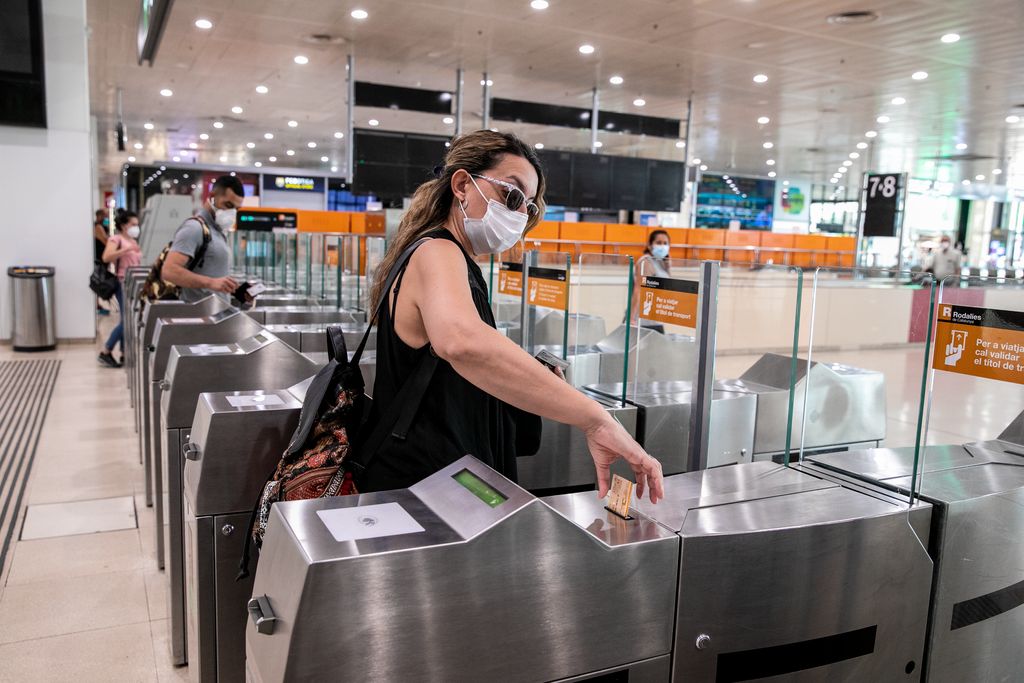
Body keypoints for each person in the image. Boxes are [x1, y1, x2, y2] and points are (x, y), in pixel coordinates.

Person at [364, 130, 664, 502]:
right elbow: (463, 342)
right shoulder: (438, 251)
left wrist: (532, 372)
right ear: (462, 185)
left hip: (439, 481)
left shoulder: (450, 256)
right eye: (513, 194)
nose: (521, 214)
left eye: (530, 206)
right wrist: (595, 418)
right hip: (422, 487)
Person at [161, 175, 243, 301]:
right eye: (228, 205)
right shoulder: (194, 228)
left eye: (236, 209)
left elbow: (214, 277)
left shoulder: (217, 231)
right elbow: (169, 271)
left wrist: (237, 292)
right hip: (198, 316)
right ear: (211, 197)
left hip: (216, 314)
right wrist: (210, 282)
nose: (231, 212)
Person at [97, 210, 142, 367]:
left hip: (133, 283)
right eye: (133, 224)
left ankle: (124, 353)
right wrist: (126, 250)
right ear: (123, 226)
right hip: (123, 282)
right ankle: (106, 351)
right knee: (127, 320)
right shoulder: (116, 239)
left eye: (137, 224)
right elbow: (106, 257)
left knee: (128, 319)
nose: (136, 227)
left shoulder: (133, 241)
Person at [631, 230, 671, 325]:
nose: (662, 246)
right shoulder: (646, 262)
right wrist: (632, 318)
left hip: (655, 317)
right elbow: (639, 290)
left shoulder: (661, 261)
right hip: (642, 320)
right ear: (650, 245)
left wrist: (667, 266)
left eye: (665, 243)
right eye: (658, 243)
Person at [93, 209, 110, 315]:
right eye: (105, 215)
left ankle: (98, 304)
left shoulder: (100, 226)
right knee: (98, 282)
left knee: (100, 281)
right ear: (100, 216)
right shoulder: (98, 227)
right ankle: (97, 306)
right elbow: (105, 240)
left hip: (101, 258)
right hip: (99, 258)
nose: (106, 218)